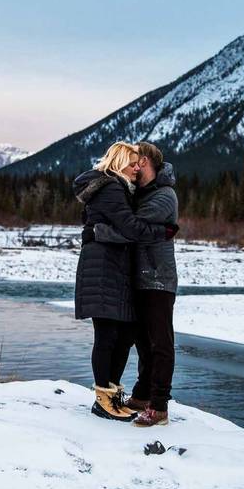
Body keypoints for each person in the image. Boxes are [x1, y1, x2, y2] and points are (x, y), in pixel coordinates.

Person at [73, 142, 176, 422]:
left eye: (138, 163)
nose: (135, 168)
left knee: (132, 338)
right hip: (109, 270)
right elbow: (131, 227)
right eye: (131, 163)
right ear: (119, 163)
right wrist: (163, 232)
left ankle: (130, 400)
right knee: (111, 336)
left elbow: (126, 224)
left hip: (138, 275)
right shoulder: (114, 187)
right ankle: (108, 400)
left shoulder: (155, 194)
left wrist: (98, 231)